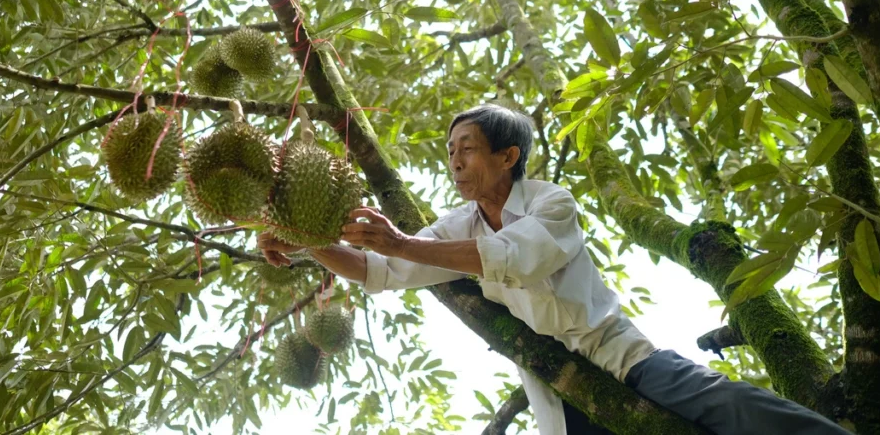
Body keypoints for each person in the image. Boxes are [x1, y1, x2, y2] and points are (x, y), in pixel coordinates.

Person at [260, 104, 848, 435]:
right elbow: (379, 270)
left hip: (619, 357)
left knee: (730, 407)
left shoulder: (551, 202)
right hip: (556, 397)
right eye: (450, 153)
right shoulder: (458, 225)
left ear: (507, 156)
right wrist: (305, 238)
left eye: (466, 148)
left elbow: (515, 258)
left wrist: (403, 243)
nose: (455, 162)